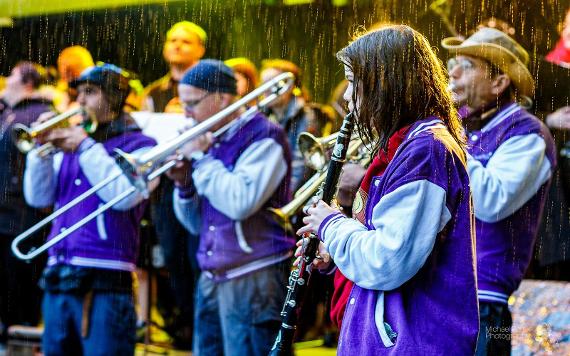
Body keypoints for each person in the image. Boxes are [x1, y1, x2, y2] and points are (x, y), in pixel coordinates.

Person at [298, 24, 479, 354]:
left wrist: (330, 224)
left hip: (412, 341)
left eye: (354, 83)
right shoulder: (407, 145)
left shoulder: (426, 150)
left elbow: (388, 261)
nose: (348, 97)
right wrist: (334, 254)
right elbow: (387, 240)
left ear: (387, 83)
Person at [23, 63, 158, 355]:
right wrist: (39, 152)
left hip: (106, 278)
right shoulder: (73, 143)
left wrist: (85, 147)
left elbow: (123, 196)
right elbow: (38, 198)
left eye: (90, 92)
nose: (80, 101)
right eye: (78, 93)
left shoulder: (142, 146)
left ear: (114, 97)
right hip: (59, 271)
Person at [166, 59, 294, 356]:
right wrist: (184, 185)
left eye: (192, 103)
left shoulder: (265, 136)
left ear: (222, 98)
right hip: (213, 274)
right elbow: (198, 225)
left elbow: (239, 202)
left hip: (255, 274)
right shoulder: (212, 141)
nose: (185, 113)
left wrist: (199, 159)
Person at [443, 27, 557, 355]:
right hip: (444, 290)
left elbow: (491, 202)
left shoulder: (528, 133)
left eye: (467, 64)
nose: (453, 71)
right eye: (454, 62)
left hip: (485, 300)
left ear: (499, 83)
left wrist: (449, 132)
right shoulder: (465, 129)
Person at [0, 61, 52, 343]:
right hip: (4, 209)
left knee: (21, 278)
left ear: (28, 83)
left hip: (22, 211)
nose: (7, 80)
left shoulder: (40, 112)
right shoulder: (7, 111)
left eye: (12, 75)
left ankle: (23, 333)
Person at [260, 59, 332, 191]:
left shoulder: (307, 116)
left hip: (288, 199)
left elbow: (301, 167)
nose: (265, 90)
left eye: (273, 84)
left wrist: (283, 202)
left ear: (290, 86)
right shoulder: (263, 116)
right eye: (263, 83)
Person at [142, 21, 206, 113]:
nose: (177, 45)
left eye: (186, 42)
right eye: (173, 41)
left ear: (200, 50)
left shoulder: (212, 86)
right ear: (164, 48)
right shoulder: (153, 92)